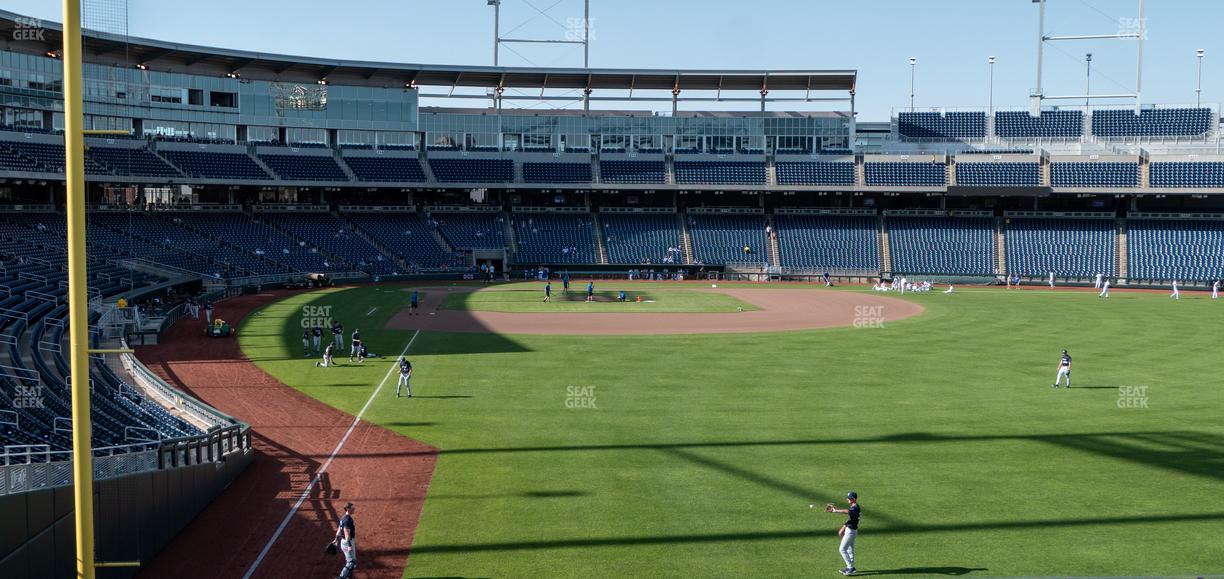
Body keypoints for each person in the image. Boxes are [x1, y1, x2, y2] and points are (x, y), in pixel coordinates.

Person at [824, 491, 860, 576]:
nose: (847, 499)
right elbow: (849, 519)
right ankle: (851, 567)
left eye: (849, 498)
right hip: (851, 530)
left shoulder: (855, 508)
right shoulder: (853, 506)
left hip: (851, 531)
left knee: (842, 549)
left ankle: (850, 567)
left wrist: (835, 510)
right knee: (849, 549)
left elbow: (847, 512)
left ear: (853, 499)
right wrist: (843, 528)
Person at [332, 502, 357, 578]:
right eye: (352, 508)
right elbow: (346, 532)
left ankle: (347, 576)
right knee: (351, 562)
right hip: (347, 542)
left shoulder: (343, 518)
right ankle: (341, 577)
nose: (354, 509)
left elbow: (339, 528)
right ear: (348, 509)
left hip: (345, 541)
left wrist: (336, 539)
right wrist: (349, 545)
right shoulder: (347, 519)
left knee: (352, 561)